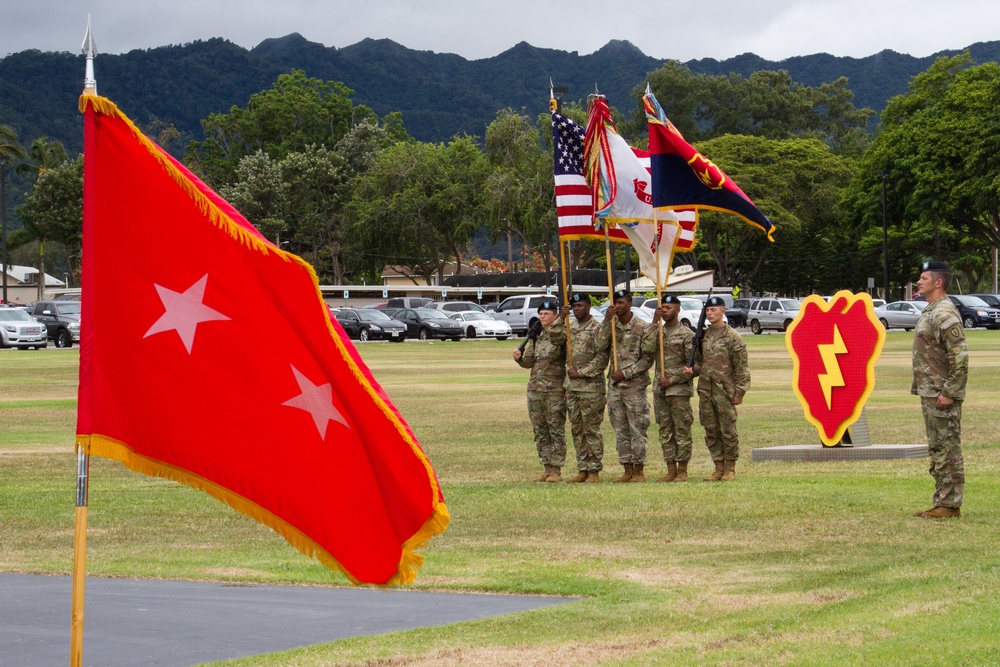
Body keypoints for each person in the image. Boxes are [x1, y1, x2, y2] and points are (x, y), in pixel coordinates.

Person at [911, 260, 968, 519]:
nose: (919, 282)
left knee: (947, 448)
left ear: (938, 282)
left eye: (924, 278)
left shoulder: (944, 312)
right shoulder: (931, 310)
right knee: (938, 447)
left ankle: (950, 504)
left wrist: (950, 391)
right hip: (930, 391)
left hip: (941, 393)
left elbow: (959, 357)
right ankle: (942, 501)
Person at [686, 296, 749, 481]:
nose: (710, 313)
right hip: (706, 390)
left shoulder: (733, 337)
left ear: (723, 311)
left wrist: (740, 392)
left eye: (714, 310)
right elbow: (699, 363)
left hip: (725, 391)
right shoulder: (702, 336)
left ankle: (730, 467)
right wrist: (692, 371)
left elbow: (742, 367)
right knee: (711, 429)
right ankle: (718, 466)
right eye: (708, 311)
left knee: (727, 429)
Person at [598, 290, 655, 482]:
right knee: (620, 429)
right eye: (615, 303)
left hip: (634, 386)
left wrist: (626, 373)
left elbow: (647, 358)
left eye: (621, 303)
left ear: (630, 304)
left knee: (637, 428)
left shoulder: (642, 327)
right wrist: (607, 320)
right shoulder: (611, 325)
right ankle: (627, 468)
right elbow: (598, 345)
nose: (618, 306)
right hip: (615, 387)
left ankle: (639, 470)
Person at [513, 300, 567, 482]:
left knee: (555, 430)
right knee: (540, 430)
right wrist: (519, 359)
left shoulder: (560, 335)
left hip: (554, 390)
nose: (542, 317)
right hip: (535, 389)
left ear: (555, 315)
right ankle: (546, 467)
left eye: (546, 313)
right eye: (541, 314)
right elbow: (529, 362)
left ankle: (556, 470)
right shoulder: (536, 335)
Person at [561, 294, 610, 483]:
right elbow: (557, 341)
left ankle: (594, 470)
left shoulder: (598, 328)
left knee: (591, 429)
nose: (576, 309)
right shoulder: (569, 326)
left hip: (591, 388)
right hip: (572, 388)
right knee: (576, 429)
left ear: (589, 306)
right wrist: (560, 317)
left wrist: (581, 373)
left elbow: (601, 358)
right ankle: (582, 467)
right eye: (574, 306)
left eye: (580, 305)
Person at [650, 295, 696, 482]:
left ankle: (683, 469)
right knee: (665, 429)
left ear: (678, 309)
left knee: (682, 429)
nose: (665, 311)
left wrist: (674, 379)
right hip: (660, 391)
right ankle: (670, 468)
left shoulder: (687, 335)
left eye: (668, 307)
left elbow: (694, 366)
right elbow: (645, 347)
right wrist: (654, 321)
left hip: (678, 391)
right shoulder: (657, 332)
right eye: (662, 308)